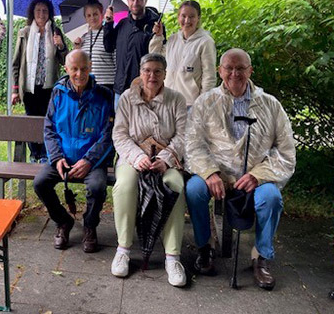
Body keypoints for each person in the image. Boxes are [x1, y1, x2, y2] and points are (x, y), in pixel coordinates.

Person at [185, 48, 296, 290]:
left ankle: (262, 257)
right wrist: (210, 172)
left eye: (240, 68)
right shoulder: (206, 102)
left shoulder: (270, 105)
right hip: (217, 173)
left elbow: (286, 152)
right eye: (229, 68)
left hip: (256, 175)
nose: (234, 73)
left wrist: (259, 175)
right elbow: (192, 144)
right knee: (194, 190)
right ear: (219, 71)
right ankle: (205, 248)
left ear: (250, 71)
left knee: (272, 198)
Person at [110, 53, 188, 287]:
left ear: (165, 74)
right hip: (133, 157)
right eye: (147, 71)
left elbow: (183, 135)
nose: (151, 76)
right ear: (140, 72)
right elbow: (120, 134)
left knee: (175, 185)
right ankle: (123, 249)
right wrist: (137, 157)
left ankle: (172, 257)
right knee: (124, 185)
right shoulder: (127, 98)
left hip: (166, 160)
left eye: (157, 71)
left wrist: (165, 159)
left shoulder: (176, 99)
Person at [33, 49, 114, 253]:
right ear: (66, 69)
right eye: (75, 69)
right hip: (63, 158)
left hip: (92, 161)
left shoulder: (104, 95)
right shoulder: (58, 92)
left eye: (84, 68)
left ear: (90, 67)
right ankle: (63, 221)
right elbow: (49, 127)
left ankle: (89, 225)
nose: (80, 74)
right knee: (40, 183)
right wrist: (57, 158)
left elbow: (108, 134)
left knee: (97, 187)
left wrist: (88, 160)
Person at [12, 0, 68, 163]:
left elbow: (66, 62)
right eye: (38, 11)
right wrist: (15, 89)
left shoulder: (56, 32)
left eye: (45, 11)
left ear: (49, 13)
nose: (42, 14)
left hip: (49, 88)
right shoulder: (25, 33)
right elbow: (16, 63)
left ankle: (44, 155)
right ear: (33, 13)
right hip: (29, 87)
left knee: (48, 121)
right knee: (31, 121)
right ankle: (34, 154)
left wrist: (61, 46)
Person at [103, 0, 164, 107]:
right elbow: (109, 47)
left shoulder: (155, 25)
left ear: (145, 0)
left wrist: (158, 35)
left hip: (144, 89)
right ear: (128, 1)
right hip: (120, 89)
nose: (135, 3)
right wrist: (108, 24)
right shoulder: (122, 24)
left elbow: (159, 56)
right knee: (121, 125)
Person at [150, 0, 217, 108]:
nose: (187, 20)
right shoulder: (173, 39)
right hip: (168, 100)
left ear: (198, 18)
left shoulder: (205, 42)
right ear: (178, 17)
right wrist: (158, 36)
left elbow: (209, 76)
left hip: (190, 104)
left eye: (192, 16)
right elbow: (155, 58)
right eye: (183, 16)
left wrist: (203, 103)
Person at [73, 0, 116, 91]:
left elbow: (116, 62)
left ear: (102, 14)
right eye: (89, 15)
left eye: (95, 14)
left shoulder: (109, 34)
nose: (92, 18)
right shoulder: (83, 37)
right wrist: (76, 48)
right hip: (87, 84)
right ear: (85, 18)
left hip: (106, 85)